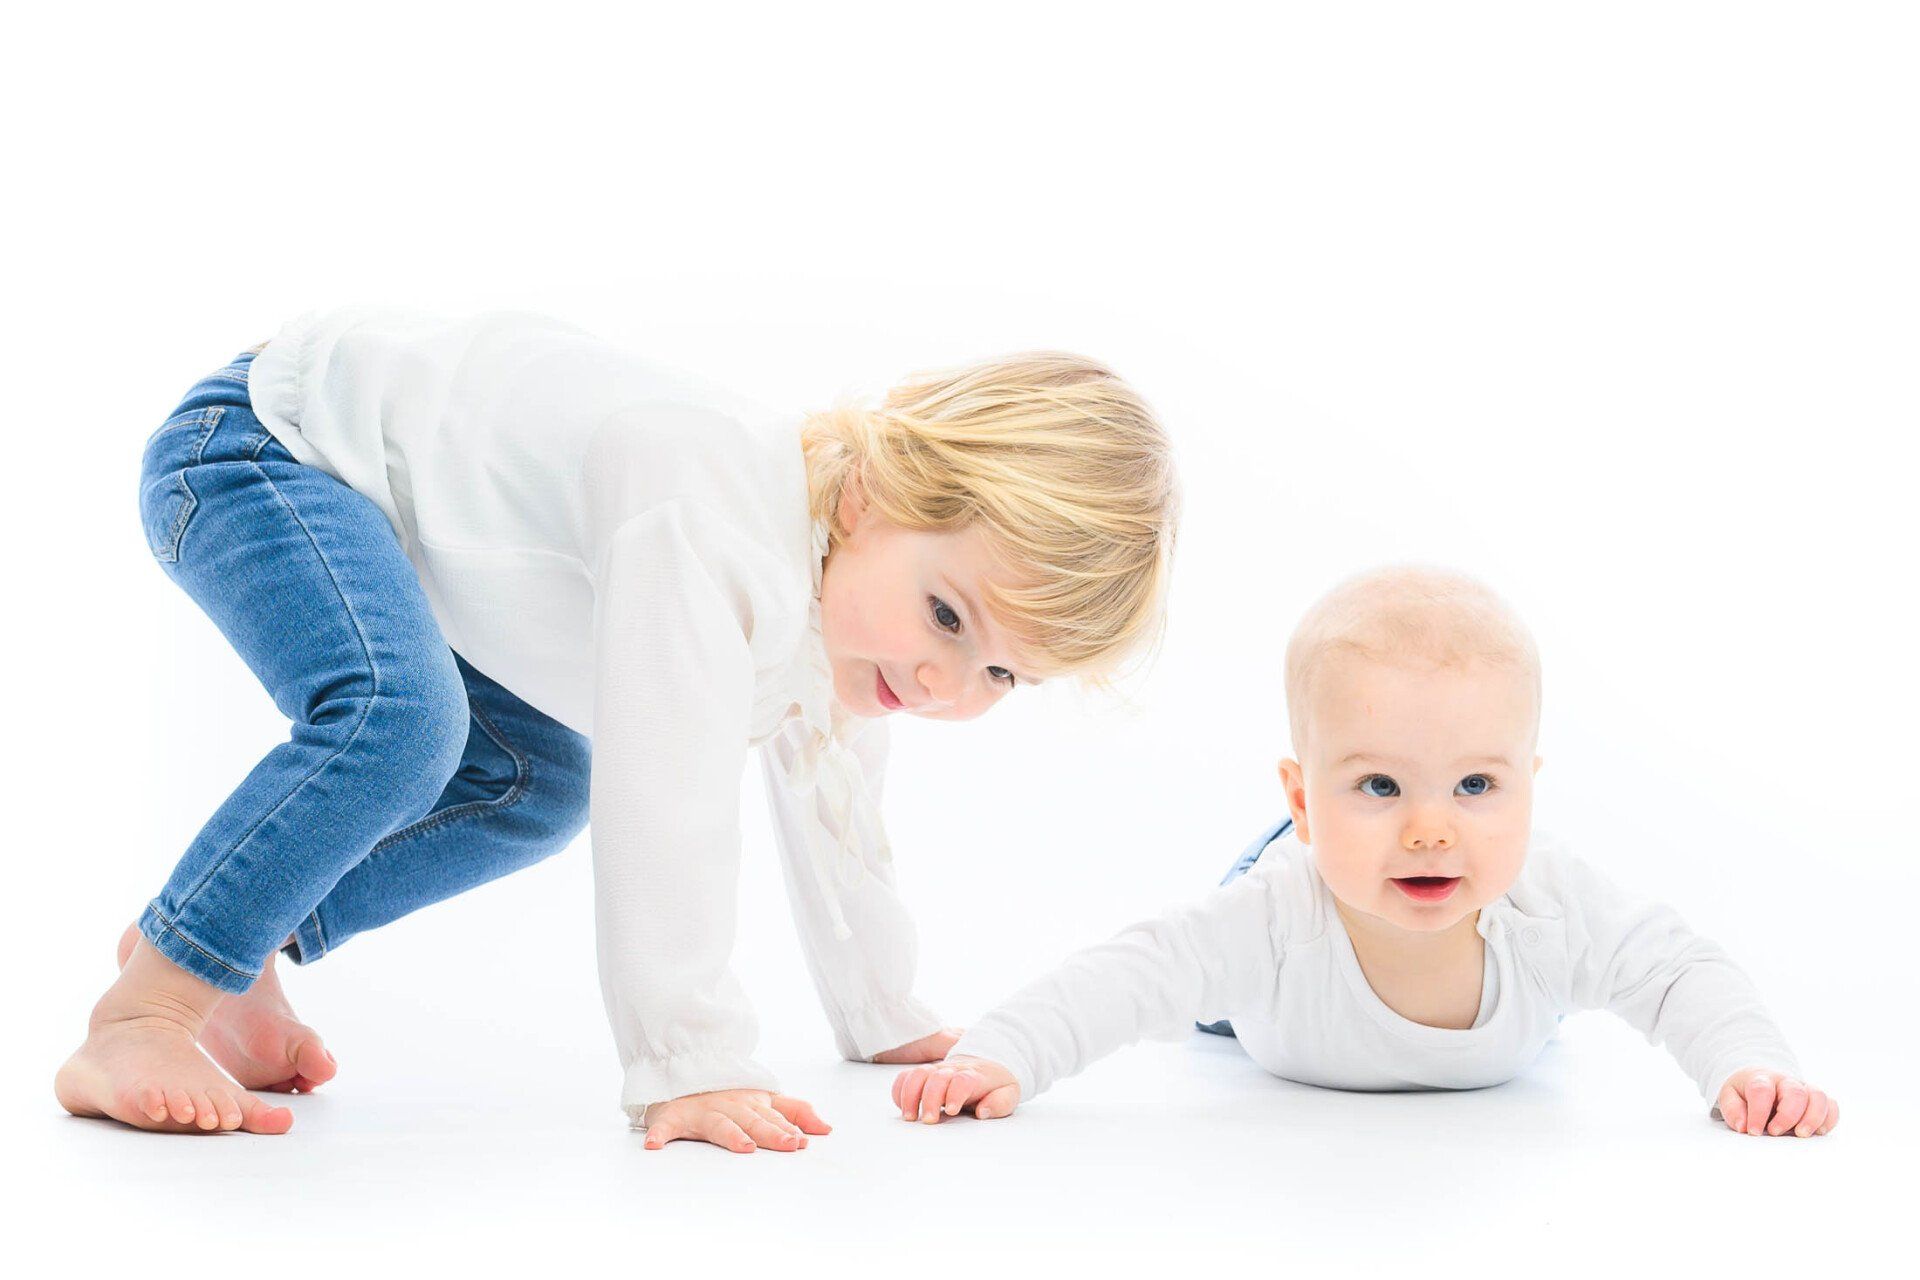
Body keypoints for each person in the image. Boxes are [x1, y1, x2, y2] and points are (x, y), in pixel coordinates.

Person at [57, 309, 1177, 1152]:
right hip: (264, 444)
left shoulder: (843, 615)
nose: (944, 681)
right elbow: (667, 792)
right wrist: (688, 1057)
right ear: (870, 496)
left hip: (391, 530)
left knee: (536, 783)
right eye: (948, 615)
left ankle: (231, 940)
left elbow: (840, 809)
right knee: (406, 725)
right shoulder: (708, 512)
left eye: (1001, 673)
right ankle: (147, 1005)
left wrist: (882, 1010)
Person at [891, 566, 1838, 1139]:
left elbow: (1678, 973)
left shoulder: (1549, 905)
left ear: (1531, 785)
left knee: (1570, 955)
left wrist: (1750, 1069)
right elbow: (1128, 977)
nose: (1432, 830)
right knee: (1201, 987)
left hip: (1465, 934)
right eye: (1381, 785)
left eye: (1477, 786)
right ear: (1303, 799)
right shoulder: (1273, 921)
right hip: (1298, 945)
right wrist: (999, 1056)